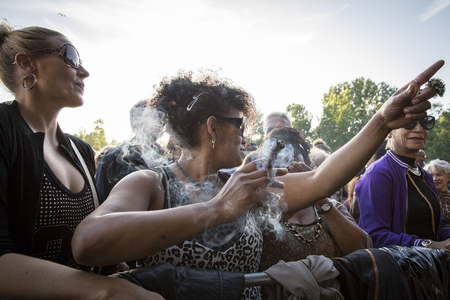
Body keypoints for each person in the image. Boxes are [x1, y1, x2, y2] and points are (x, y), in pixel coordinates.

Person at [73, 61, 445, 298]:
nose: (248, 137)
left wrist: (381, 121)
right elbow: (87, 243)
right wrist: (217, 208)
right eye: (241, 125)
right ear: (213, 128)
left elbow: (321, 180)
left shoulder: (249, 183)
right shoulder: (149, 184)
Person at [0, 22, 163, 299]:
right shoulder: (5, 131)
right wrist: (107, 290)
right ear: (28, 63)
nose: (84, 72)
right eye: (70, 57)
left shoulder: (81, 150)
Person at [257, 127, 371, 285]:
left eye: (293, 156)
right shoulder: (262, 210)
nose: (286, 165)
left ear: (306, 161)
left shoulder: (333, 206)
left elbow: (362, 250)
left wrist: (318, 196)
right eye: (279, 160)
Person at [357, 110, 450, 250]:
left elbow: (438, 226)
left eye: (424, 123)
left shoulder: (425, 175)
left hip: (432, 266)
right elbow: (374, 236)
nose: (419, 129)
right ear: (390, 130)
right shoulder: (377, 174)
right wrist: (430, 246)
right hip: (398, 269)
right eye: (409, 123)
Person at [95, 99, 165, 202]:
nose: (162, 120)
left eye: (162, 115)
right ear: (137, 118)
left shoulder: (166, 158)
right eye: (155, 114)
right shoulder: (112, 158)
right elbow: (101, 200)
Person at [424, 159, 450, 225]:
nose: (435, 179)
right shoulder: (426, 197)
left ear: (448, 177)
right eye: (431, 175)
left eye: (439, 175)